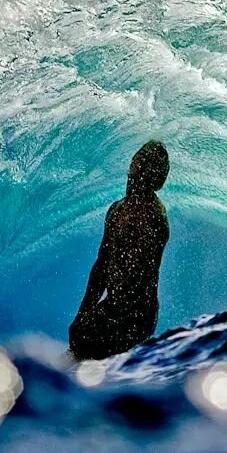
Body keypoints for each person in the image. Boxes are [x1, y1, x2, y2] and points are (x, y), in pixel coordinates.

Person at [69, 140, 171, 360]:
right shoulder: (117, 210)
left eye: (142, 169)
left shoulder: (154, 217)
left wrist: (99, 319)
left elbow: (137, 279)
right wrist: (84, 313)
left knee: (82, 344)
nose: (134, 174)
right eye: (135, 167)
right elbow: (101, 267)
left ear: (153, 179)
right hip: (114, 308)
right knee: (77, 337)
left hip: (137, 316)